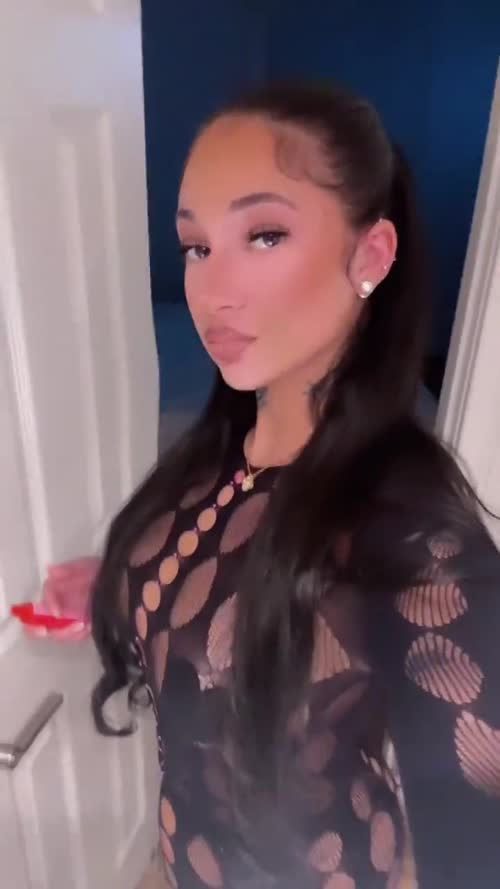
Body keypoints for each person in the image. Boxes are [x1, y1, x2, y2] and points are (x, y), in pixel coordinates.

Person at [91, 81, 500, 889]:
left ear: (370, 256)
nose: (212, 290)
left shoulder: (412, 535)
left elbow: (479, 835)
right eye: (197, 246)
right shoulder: (214, 452)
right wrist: (132, 577)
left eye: (265, 235)